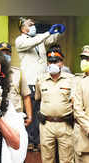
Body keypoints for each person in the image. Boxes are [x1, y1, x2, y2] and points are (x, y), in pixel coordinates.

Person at [15, 17, 66, 151]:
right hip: (30, 81)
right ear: (22, 28)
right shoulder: (20, 40)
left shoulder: (38, 38)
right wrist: (48, 32)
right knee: (30, 111)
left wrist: (58, 32)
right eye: (30, 24)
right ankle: (31, 141)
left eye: (33, 24)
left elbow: (50, 40)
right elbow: (37, 40)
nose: (33, 26)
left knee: (40, 111)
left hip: (42, 80)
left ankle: (39, 140)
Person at [35, 46, 75, 163]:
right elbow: (37, 98)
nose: (53, 64)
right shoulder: (40, 79)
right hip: (46, 124)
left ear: (62, 63)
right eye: (50, 61)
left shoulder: (71, 79)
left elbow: (76, 101)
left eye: (56, 61)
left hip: (65, 124)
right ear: (47, 63)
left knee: (67, 161)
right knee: (47, 161)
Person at [0, 42, 32, 128]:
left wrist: (29, 116)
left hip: (16, 115)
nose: (5, 55)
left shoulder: (18, 73)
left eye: (7, 53)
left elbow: (26, 96)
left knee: (18, 140)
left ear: (11, 54)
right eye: (2, 53)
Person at [74, 45, 89, 163]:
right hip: (80, 126)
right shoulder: (76, 79)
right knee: (79, 162)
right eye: (82, 58)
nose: (84, 61)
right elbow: (74, 103)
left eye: (88, 58)